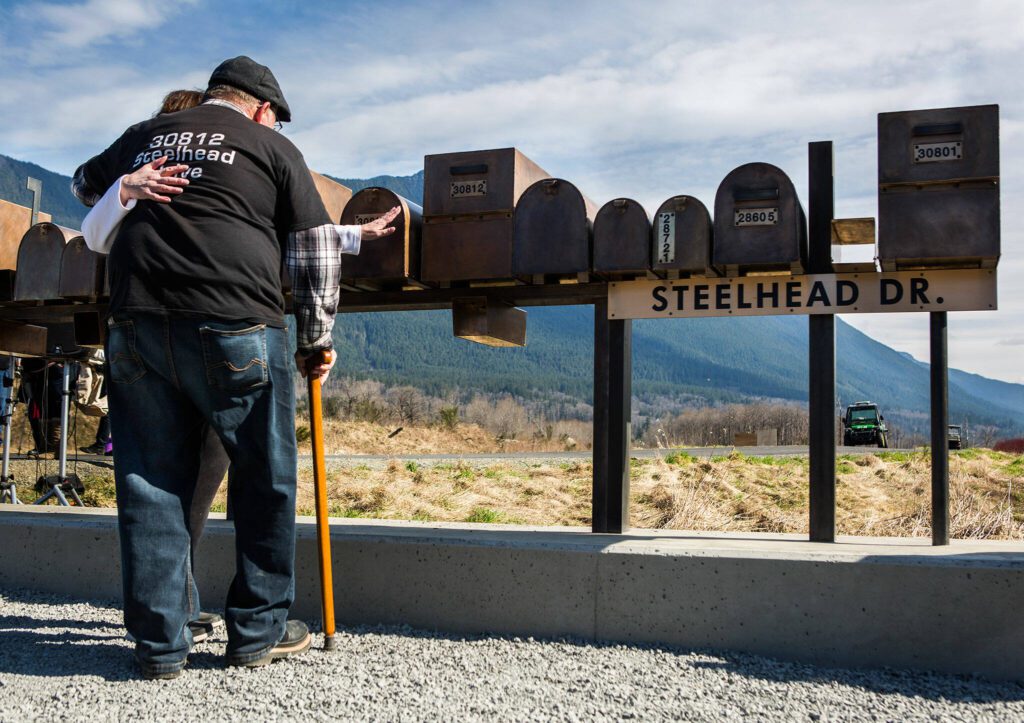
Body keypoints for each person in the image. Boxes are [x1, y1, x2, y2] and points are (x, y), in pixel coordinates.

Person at [73, 56, 398, 679]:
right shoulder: (270, 147)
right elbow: (306, 247)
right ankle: (256, 631)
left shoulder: (147, 134)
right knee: (264, 476)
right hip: (235, 325)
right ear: (261, 108)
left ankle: (159, 645)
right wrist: (315, 337)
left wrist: (130, 187)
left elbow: (86, 186)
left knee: (149, 482)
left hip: (136, 323)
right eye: (274, 117)